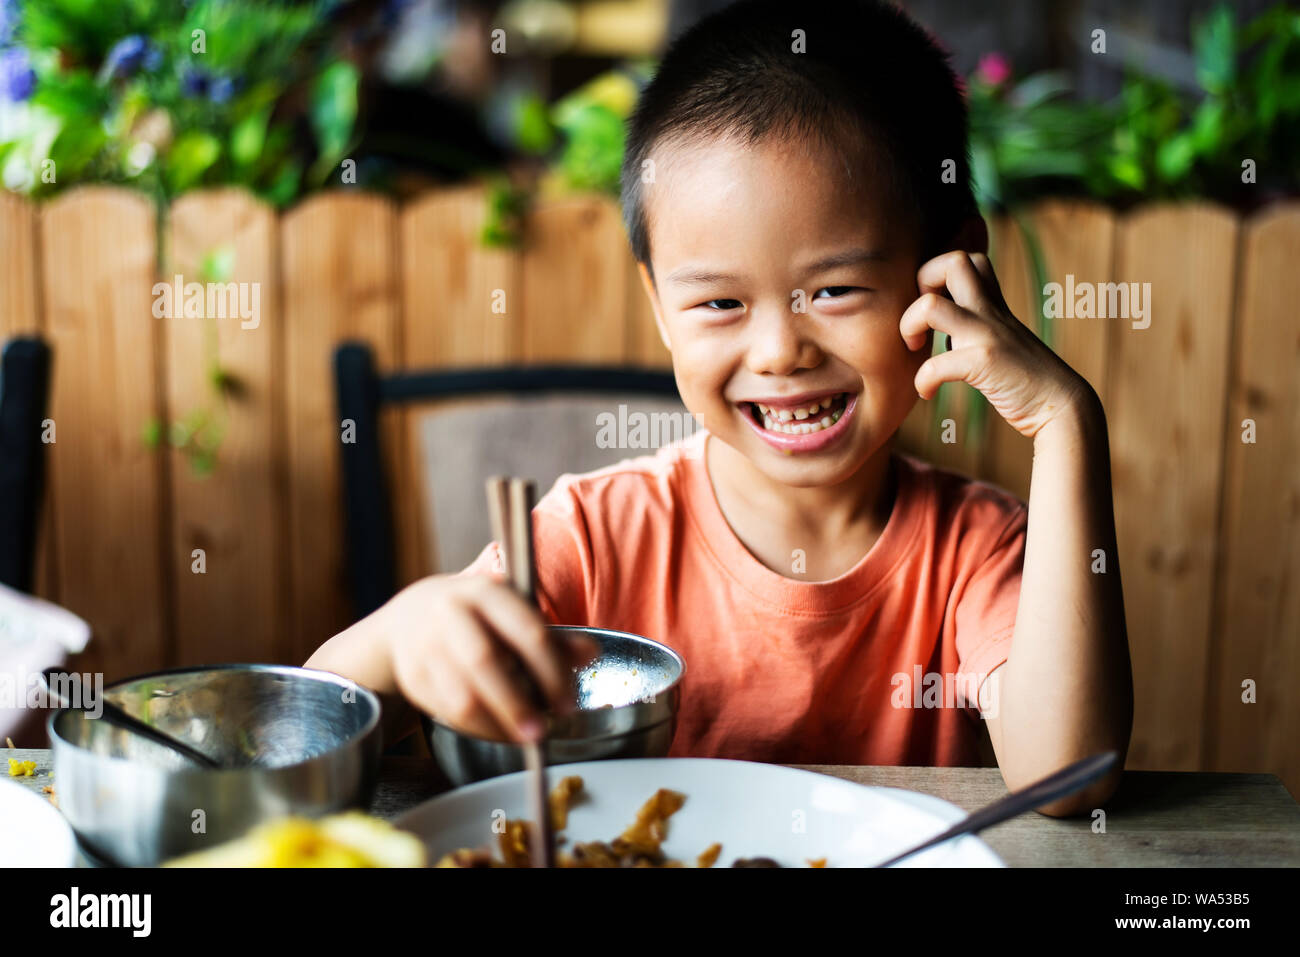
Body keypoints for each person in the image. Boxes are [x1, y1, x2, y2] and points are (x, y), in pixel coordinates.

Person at [308, 0, 1133, 815]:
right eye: (719, 304)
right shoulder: (593, 537)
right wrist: (403, 633)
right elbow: (313, 728)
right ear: (660, 304)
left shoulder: (973, 550)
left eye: (835, 289)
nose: (780, 350)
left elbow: (1073, 774)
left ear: (953, 266)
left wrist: (1067, 423)